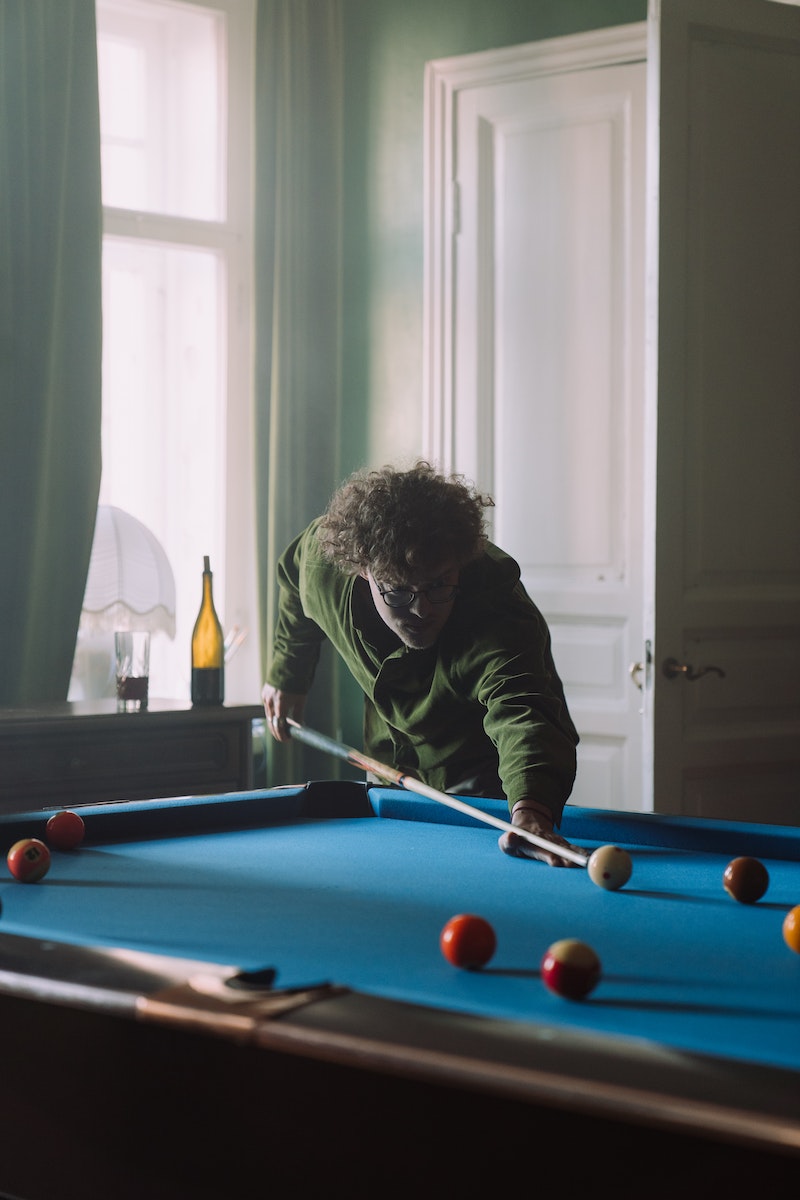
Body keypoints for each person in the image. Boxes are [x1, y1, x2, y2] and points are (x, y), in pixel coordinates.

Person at [262, 461, 580, 867]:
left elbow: (524, 712)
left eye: (437, 585)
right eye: (398, 591)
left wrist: (531, 812)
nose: (421, 609)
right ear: (362, 570)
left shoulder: (497, 613)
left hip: (483, 777)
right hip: (388, 768)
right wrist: (287, 675)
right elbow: (292, 576)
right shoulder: (325, 569)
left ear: (459, 563)